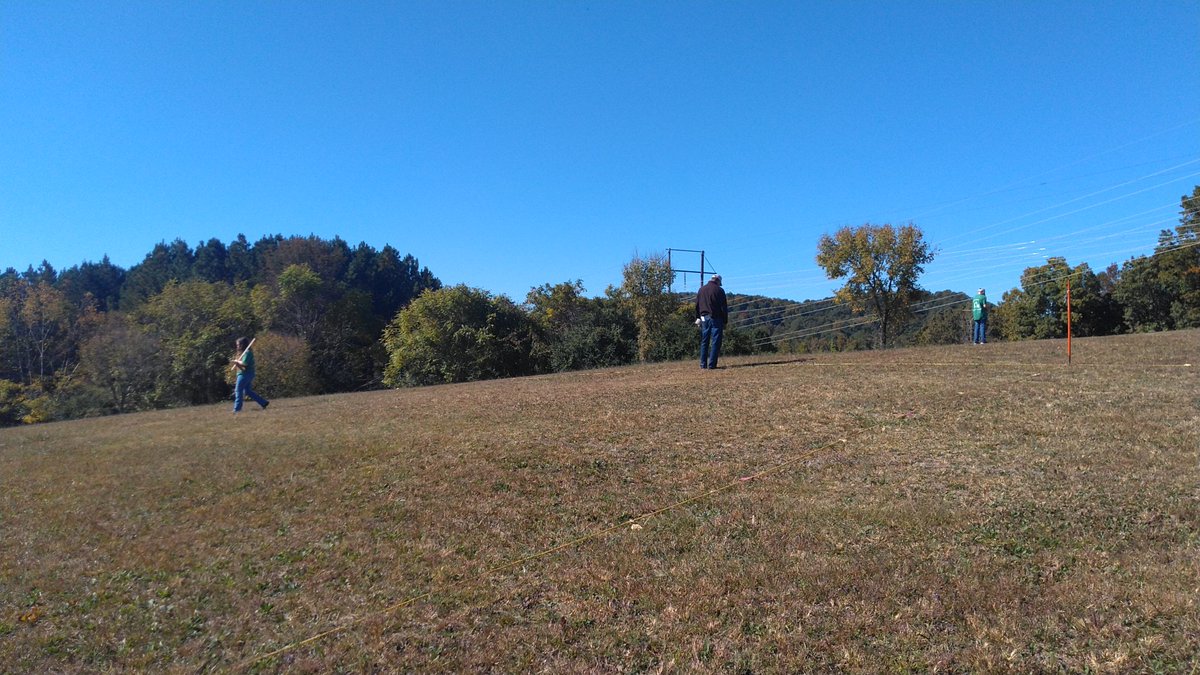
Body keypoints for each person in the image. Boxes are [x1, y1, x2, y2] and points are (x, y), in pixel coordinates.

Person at [695, 274, 729, 369]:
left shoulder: (701, 290)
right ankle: (712, 364)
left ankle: (703, 364)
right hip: (716, 318)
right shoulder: (719, 290)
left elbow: (697, 305)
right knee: (715, 341)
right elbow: (723, 307)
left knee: (704, 341)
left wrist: (698, 317)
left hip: (704, 318)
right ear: (718, 281)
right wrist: (725, 321)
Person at [231, 337, 269, 412]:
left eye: (238, 345)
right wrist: (237, 364)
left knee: (238, 390)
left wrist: (237, 362)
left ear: (243, 345)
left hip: (245, 375)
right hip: (243, 373)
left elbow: (244, 364)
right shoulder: (241, 354)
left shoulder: (247, 353)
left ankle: (237, 409)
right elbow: (242, 367)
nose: (237, 346)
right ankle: (263, 402)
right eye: (237, 345)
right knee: (247, 391)